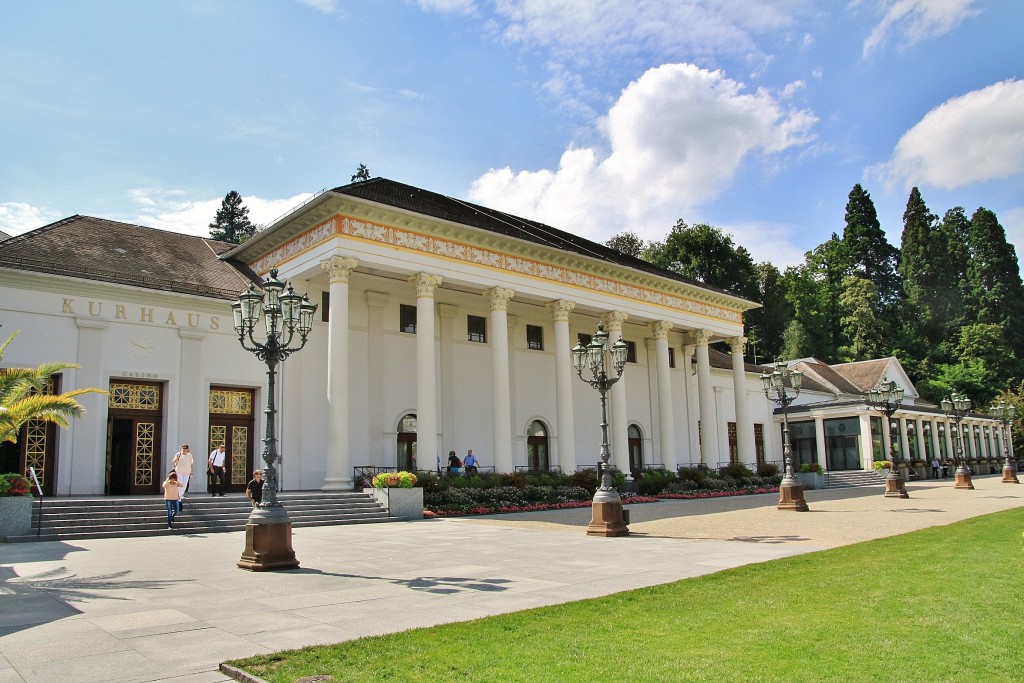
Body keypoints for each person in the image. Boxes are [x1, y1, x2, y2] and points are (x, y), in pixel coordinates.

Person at [172, 444, 194, 509]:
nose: (184, 450)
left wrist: (191, 471)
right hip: (179, 472)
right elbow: (174, 461)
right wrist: (178, 457)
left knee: (185, 484)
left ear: (188, 449)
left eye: (185, 449)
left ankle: (181, 494)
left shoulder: (189, 455)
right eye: (183, 449)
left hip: (187, 472)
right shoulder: (178, 454)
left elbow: (191, 464)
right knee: (180, 483)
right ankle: (178, 495)